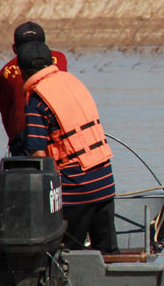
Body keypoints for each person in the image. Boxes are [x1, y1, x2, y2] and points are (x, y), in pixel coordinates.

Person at [18, 41, 118, 254]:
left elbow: (38, 154)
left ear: (22, 72)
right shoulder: (73, 81)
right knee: (108, 252)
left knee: (67, 255)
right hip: (105, 181)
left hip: (76, 190)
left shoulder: (37, 100)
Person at [0, 21, 68, 155]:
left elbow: (7, 118)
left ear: (14, 49)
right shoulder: (60, 59)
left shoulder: (2, 75)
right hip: (58, 129)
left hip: (23, 136)